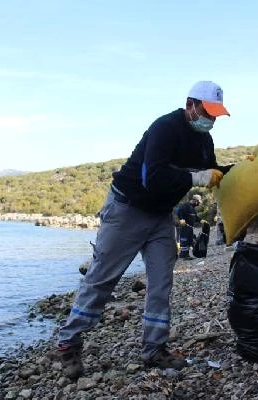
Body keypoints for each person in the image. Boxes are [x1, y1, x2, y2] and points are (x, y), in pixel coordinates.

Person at [56, 81, 233, 378]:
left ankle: (154, 348)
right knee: (102, 279)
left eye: (216, 114)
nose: (211, 119)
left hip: (160, 216)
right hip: (127, 210)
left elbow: (211, 172)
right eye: (207, 111)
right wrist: (196, 179)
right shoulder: (165, 127)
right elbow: (153, 178)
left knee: (162, 282)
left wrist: (237, 170)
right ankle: (68, 344)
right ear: (191, 104)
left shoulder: (204, 141)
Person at [176, 194, 202, 259]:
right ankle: (183, 255)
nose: (198, 204)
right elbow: (179, 211)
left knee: (190, 240)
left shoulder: (192, 208)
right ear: (195, 201)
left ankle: (186, 254)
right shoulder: (186, 206)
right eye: (198, 202)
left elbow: (195, 216)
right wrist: (181, 219)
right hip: (184, 226)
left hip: (190, 227)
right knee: (185, 240)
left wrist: (201, 220)